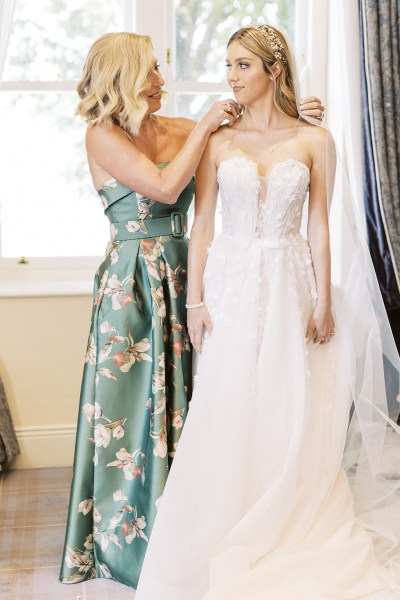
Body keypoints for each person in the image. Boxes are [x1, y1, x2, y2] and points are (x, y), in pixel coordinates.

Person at [135, 24, 400, 599]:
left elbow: (320, 223)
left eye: (243, 66)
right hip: (231, 285)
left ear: (273, 70)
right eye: (228, 65)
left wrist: (326, 299)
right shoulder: (219, 141)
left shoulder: (315, 139)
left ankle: (292, 519)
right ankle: (226, 519)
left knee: (290, 401)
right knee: (230, 403)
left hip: (291, 282)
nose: (231, 76)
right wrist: (196, 300)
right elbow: (203, 224)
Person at [59, 30, 326, 589]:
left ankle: (190, 523)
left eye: (159, 70)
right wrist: (207, 124)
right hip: (133, 281)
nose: (161, 81)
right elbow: (162, 185)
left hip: (188, 272)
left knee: (187, 400)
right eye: (151, 72)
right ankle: (124, 541)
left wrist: (288, 111)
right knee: (132, 405)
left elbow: (246, 138)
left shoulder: (177, 128)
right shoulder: (101, 136)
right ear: (125, 78)